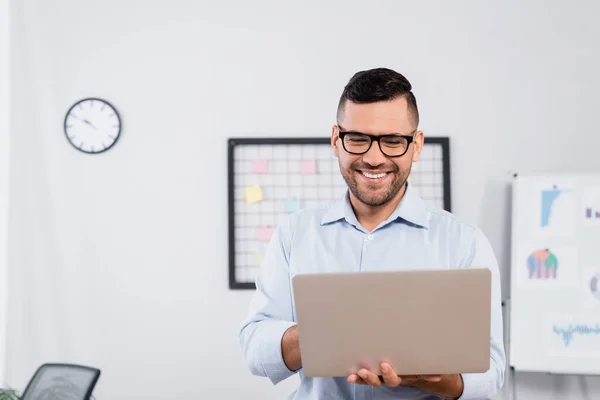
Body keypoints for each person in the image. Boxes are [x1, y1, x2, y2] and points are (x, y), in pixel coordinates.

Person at [238, 67, 505, 399]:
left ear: (416, 145)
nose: (374, 157)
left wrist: (430, 378)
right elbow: (254, 346)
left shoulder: (465, 243)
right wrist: (324, 333)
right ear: (337, 140)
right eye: (358, 139)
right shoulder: (294, 234)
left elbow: (491, 377)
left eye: (393, 141)